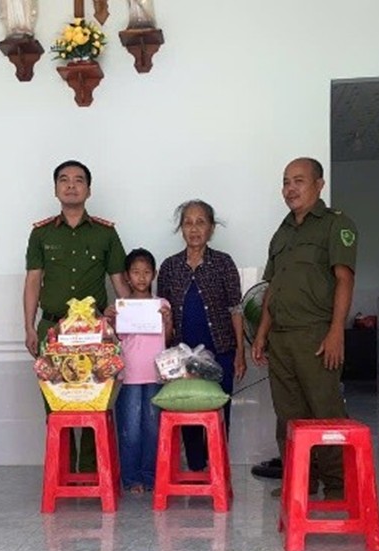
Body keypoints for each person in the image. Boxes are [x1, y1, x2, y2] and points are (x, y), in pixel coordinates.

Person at [251, 158, 357, 500]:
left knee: (325, 411)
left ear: (319, 185)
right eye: (286, 182)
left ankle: (338, 485)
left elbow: (344, 279)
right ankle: (301, 481)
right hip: (280, 338)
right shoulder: (282, 232)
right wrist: (262, 333)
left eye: (299, 181)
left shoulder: (335, 225)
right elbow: (272, 288)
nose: (290, 189)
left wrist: (336, 331)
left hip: (316, 335)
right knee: (289, 416)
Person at [23, 160, 129, 472]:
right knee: (56, 404)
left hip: (94, 333)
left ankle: (92, 472)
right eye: (64, 180)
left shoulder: (106, 233)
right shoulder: (41, 234)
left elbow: (120, 283)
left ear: (89, 190)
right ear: (55, 189)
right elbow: (33, 281)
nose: (71, 185)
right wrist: (29, 327)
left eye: (79, 180)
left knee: (95, 401)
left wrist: (135, 321)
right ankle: (64, 471)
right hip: (52, 329)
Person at [157, 200, 245, 471]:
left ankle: (217, 467)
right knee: (187, 407)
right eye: (188, 223)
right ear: (181, 228)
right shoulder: (170, 266)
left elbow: (236, 309)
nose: (194, 229)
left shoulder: (223, 263)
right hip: (182, 356)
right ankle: (196, 465)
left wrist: (240, 353)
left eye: (200, 222)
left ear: (211, 228)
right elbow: (162, 313)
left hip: (221, 350)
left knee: (220, 409)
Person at [114, 248, 172, 493]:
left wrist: (167, 320)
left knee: (152, 428)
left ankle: (150, 476)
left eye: (146, 272)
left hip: (155, 375)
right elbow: (117, 339)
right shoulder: (121, 307)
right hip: (129, 376)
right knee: (129, 430)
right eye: (136, 272)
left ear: (154, 274)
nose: (141, 277)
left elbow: (167, 339)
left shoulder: (162, 304)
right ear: (127, 276)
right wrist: (110, 319)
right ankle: (131, 478)